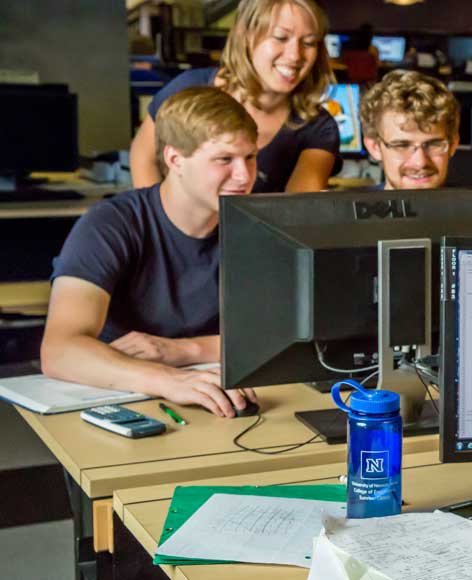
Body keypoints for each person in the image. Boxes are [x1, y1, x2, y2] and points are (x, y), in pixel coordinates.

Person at [41, 87, 259, 418]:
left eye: (250, 157)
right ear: (175, 159)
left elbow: (292, 340)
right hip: (119, 396)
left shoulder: (257, 226)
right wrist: (169, 379)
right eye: (225, 159)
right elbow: (60, 349)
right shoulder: (110, 223)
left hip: (220, 394)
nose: (244, 176)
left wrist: (184, 351)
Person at [129, 0, 338, 194]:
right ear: (246, 35)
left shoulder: (318, 128)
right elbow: (144, 156)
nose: (295, 55)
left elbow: (297, 212)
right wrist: (160, 225)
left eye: (309, 43)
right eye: (280, 37)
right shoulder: (189, 89)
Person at [360, 70, 460, 190]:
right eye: (402, 145)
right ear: (374, 147)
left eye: (434, 144)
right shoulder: (346, 208)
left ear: (453, 143)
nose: (420, 162)